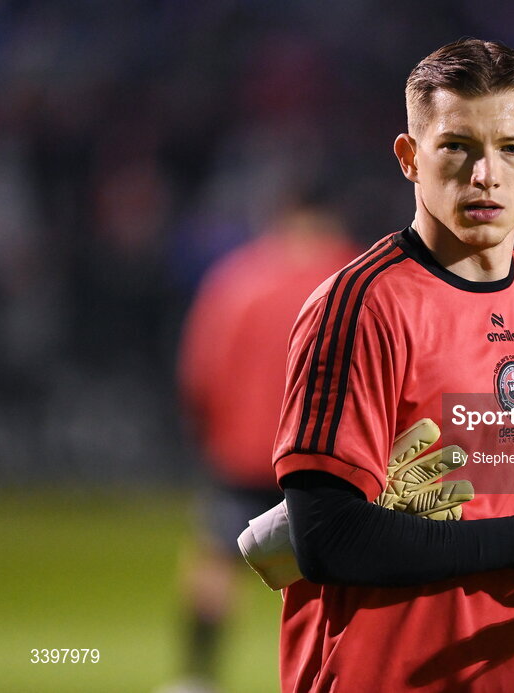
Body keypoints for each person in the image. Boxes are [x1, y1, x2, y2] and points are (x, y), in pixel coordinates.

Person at [270, 39, 514, 692]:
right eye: (457, 146)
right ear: (410, 157)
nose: (485, 173)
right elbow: (325, 537)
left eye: (509, 148)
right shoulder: (361, 306)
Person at [160, 196, 360, 693]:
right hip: (327, 454)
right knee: (338, 571)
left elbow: (199, 373)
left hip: (245, 451)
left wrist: (209, 433)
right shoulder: (355, 273)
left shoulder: (236, 277)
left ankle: (196, 678)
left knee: (216, 563)